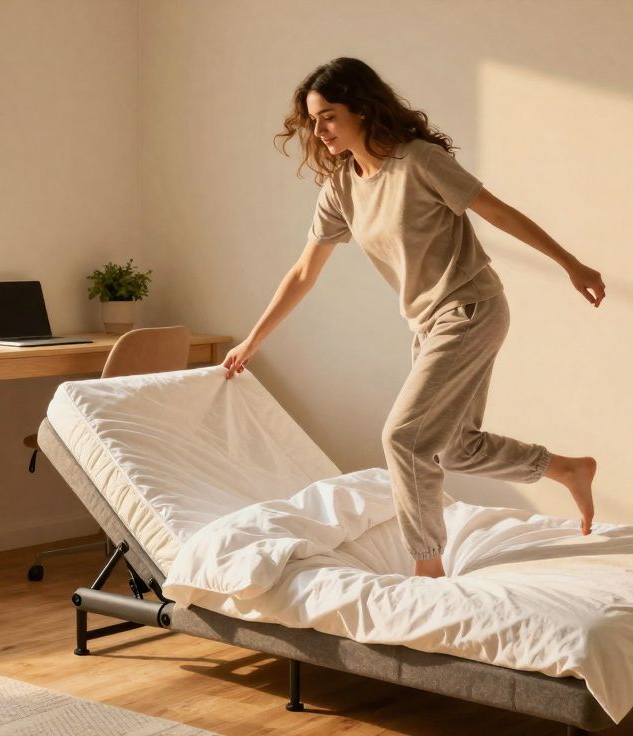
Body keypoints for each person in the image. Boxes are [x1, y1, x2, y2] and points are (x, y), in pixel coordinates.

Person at [220, 57, 604, 578]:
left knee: (403, 438)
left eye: (328, 115)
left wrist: (571, 264)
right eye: (313, 120)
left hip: (470, 309)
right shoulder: (341, 187)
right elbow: (303, 273)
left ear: (362, 109)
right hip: (428, 325)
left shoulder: (419, 161)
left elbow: (497, 212)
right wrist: (252, 341)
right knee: (456, 451)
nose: (319, 130)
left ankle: (428, 568)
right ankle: (567, 468)